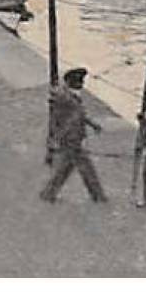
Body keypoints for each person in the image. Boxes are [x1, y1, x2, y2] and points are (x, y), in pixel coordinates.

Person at [40, 67, 107, 204]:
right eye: (79, 81)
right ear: (71, 82)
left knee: (66, 168)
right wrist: (54, 140)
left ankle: (48, 193)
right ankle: (98, 196)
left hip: (73, 138)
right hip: (70, 139)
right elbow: (56, 120)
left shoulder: (72, 96)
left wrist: (93, 124)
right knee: (85, 167)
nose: (82, 84)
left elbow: (79, 114)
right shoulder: (63, 98)